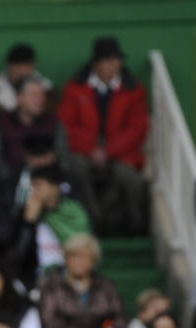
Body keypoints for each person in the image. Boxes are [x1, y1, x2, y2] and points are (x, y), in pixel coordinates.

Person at [56, 37, 149, 235]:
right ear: (95, 63)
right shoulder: (74, 89)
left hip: (120, 152)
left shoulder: (133, 90)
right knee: (75, 167)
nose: (112, 65)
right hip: (84, 151)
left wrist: (108, 151)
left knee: (129, 177)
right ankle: (91, 218)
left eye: (116, 60)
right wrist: (91, 150)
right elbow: (66, 126)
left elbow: (137, 129)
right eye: (107, 60)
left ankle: (135, 224)